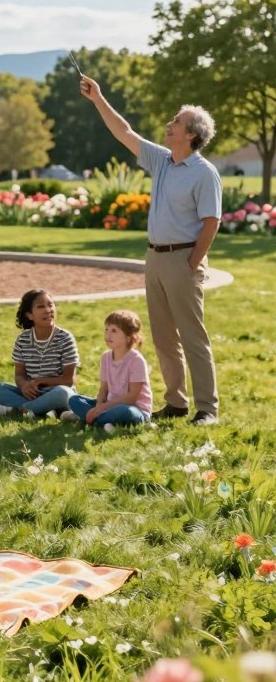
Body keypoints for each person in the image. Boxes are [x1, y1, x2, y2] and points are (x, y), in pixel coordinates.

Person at [81, 78, 222, 425]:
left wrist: (191, 262)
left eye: (176, 121)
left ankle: (207, 408)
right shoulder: (162, 160)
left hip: (183, 259)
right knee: (162, 337)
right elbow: (124, 131)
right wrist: (98, 98)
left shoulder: (205, 173)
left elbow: (211, 222)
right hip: (155, 258)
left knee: (192, 336)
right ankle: (176, 402)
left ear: (190, 134)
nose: (169, 124)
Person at [0, 290, 80, 419]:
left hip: (56, 392)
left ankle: (20, 409)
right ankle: (41, 410)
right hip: (32, 394)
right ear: (30, 315)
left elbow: (69, 380)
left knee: (63, 393)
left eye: (50, 305)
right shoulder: (22, 340)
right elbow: (19, 375)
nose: (48, 310)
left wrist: (40, 381)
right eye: (41, 306)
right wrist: (24, 386)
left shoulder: (65, 338)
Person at [65, 310, 153, 432]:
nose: (108, 334)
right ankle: (102, 421)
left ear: (129, 337)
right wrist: (97, 407)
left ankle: (89, 420)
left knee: (124, 411)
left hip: (134, 409)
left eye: (114, 331)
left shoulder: (136, 360)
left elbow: (131, 398)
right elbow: (103, 389)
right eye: (106, 329)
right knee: (74, 400)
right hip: (108, 405)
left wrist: (103, 407)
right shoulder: (106, 357)